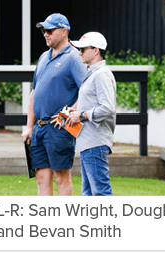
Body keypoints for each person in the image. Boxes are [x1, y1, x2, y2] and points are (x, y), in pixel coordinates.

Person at [21, 13, 86, 196]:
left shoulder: (74, 57)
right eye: (43, 30)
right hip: (39, 128)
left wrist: (71, 112)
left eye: (49, 30)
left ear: (64, 31)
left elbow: (87, 91)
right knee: (41, 178)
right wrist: (29, 127)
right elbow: (34, 93)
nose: (45, 34)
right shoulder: (43, 57)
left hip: (59, 128)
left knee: (61, 178)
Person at [65, 32, 116, 196]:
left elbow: (107, 108)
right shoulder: (93, 73)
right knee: (88, 193)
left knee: (100, 192)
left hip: (95, 141)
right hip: (88, 141)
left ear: (96, 50)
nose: (79, 53)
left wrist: (81, 115)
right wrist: (75, 110)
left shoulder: (102, 75)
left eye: (83, 49)